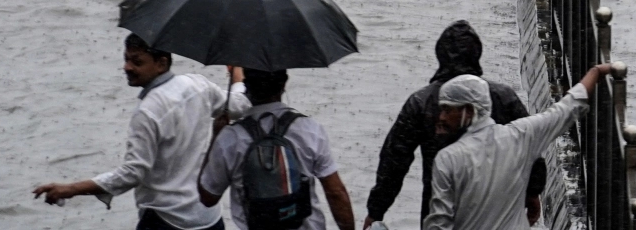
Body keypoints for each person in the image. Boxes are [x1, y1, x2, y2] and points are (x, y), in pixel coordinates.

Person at [32, 34, 246, 227]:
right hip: (207, 218)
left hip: (166, 219)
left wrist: (72, 189)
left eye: (137, 62)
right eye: (126, 59)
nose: (127, 67)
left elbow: (133, 173)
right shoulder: (198, 85)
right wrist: (237, 72)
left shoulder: (148, 111)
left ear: (161, 64)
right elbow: (239, 105)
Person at [367, 21, 544, 229]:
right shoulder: (502, 98)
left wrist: (375, 212)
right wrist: (532, 194)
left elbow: (394, 162)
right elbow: (531, 148)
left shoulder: (420, 103)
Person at [424, 65, 613, 230]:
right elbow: (566, 109)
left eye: (448, 110)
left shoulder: (447, 159)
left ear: (469, 110)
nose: (441, 117)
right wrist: (595, 73)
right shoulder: (520, 136)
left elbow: (439, 223)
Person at [196, 69, 354, 230]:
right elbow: (335, 192)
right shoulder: (309, 130)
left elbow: (208, 197)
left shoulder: (230, 138)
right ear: (284, 84)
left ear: (246, 87)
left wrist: (216, 136)